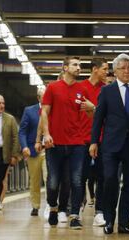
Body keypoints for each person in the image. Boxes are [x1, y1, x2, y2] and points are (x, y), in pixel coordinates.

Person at [90, 53, 129, 235]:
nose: (127, 71)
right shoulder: (107, 91)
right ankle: (109, 220)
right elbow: (98, 119)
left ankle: (124, 222)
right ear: (115, 71)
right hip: (110, 145)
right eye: (123, 68)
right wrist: (94, 141)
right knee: (110, 180)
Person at [37, 56, 91, 229]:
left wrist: (93, 109)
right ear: (65, 67)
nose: (78, 67)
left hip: (77, 142)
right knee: (53, 182)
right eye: (75, 65)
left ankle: (74, 215)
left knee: (75, 181)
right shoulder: (52, 88)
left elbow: (90, 116)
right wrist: (46, 134)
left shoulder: (82, 89)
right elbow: (44, 112)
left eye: (79, 65)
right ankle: (53, 206)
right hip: (55, 143)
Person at [78, 57, 108, 227]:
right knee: (80, 177)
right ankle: (79, 207)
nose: (107, 72)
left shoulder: (107, 90)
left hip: (103, 139)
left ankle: (100, 211)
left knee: (102, 177)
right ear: (95, 69)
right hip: (82, 140)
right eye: (104, 68)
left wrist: (93, 108)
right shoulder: (80, 88)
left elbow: (108, 115)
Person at [19, 87, 48, 216]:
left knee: (49, 178)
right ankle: (35, 206)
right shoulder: (29, 111)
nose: (46, 98)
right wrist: (24, 146)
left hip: (48, 150)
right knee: (35, 180)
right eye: (43, 96)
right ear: (38, 98)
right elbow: (22, 131)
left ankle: (51, 205)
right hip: (33, 151)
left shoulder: (53, 109)